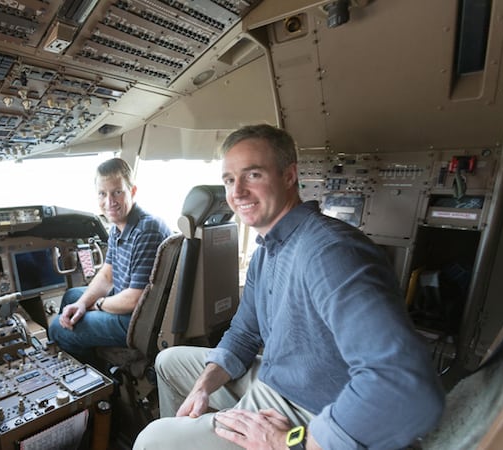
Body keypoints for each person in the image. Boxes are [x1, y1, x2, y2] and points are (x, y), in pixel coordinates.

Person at [133, 125, 445, 450]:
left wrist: (287, 442)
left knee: (151, 441)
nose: (236, 192)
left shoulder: (329, 253)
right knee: (169, 361)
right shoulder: (267, 251)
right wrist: (202, 388)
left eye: (252, 175)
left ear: (288, 176)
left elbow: (407, 387)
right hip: (279, 378)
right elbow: (242, 334)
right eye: (229, 179)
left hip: (318, 409)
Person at [47, 158, 172, 360]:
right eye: (102, 194)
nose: (109, 202)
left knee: (57, 328)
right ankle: (86, 354)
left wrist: (98, 304)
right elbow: (107, 275)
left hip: (137, 321)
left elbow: (134, 299)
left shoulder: (147, 229)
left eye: (117, 192)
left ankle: (94, 379)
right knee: (72, 297)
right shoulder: (117, 227)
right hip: (131, 306)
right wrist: (82, 303)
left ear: (132, 191)